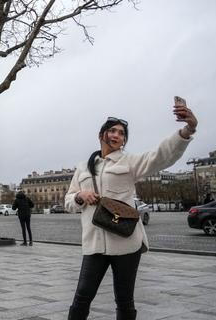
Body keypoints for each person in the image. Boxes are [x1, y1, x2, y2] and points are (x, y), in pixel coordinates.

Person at [64, 103, 197, 320]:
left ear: (124, 140)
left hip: (126, 242)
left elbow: (160, 156)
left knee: (125, 301)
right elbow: (68, 201)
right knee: (81, 298)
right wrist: (80, 196)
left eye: (122, 133)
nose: (117, 135)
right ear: (101, 135)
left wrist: (187, 130)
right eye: (113, 130)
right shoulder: (83, 167)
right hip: (94, 244)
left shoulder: (130, 162)